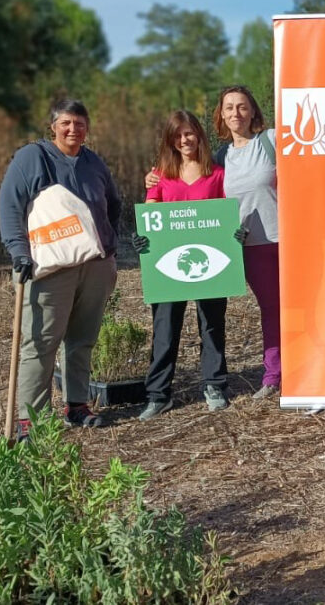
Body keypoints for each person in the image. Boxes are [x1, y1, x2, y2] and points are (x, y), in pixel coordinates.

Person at [144, 85, 281, 399]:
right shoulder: (220, 159)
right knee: (271, 308)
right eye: (229, 107)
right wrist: (152, 183)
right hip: (246, 245)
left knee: (298, 306)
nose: (236, 113)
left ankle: (307, 368)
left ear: (253, 111)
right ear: (221, 115)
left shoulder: (269, 141)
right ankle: (273, 374)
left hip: (285, 237)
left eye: (242, 106)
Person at [0, 99, 120, 438]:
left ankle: (77, 406)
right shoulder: (32, 158)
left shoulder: (93, 162)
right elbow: (9, 207)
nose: (73, 129)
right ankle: (30, 420)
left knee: (82, 339)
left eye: (79, 123)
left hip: (94, 266)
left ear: (88, 127)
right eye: (66, 123)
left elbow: (114, 203)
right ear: (52, 126)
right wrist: (19, 253)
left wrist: (110, 244)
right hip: (47, 268)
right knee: (40, 342)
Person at [134, 110, 234, 419]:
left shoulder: (217, 173)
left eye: (189, 133)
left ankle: (215, 385)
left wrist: (234, 233)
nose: (184, 140)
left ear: (199, 135)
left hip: (209, 262)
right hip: (169, 265)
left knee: (212, 325)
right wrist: (143, 237)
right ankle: (158, 394)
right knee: (165, 328)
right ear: (170, 140)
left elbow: (226, 213)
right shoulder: (160, 174)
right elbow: (151, 213)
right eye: (178, 135)